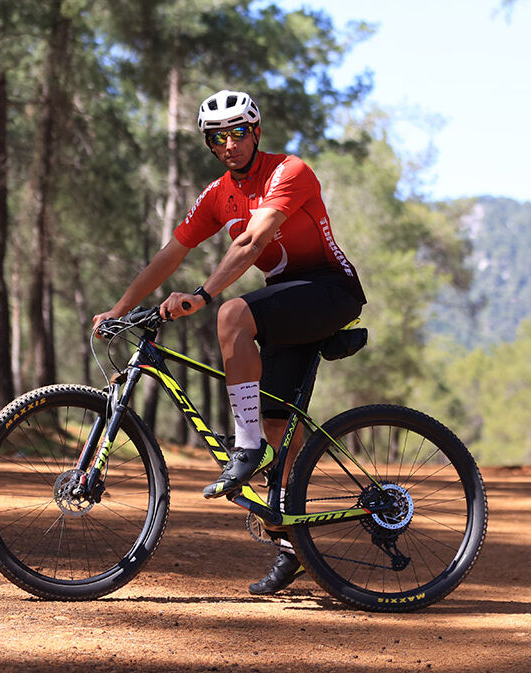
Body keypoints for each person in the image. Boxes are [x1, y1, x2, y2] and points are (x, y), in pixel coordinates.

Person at [93, 89, 366, 595]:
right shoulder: (219, 194)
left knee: (233, 312)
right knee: (279, 421)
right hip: (286, 297)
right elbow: (169, 253)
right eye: (218, 138)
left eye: (238, 132)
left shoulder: (290, 172)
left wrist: (202, 294)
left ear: (255, 132)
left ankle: (246, 449)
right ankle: (294, 545)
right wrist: (120, 308)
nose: (229, 144)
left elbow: (252, 242)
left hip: (331, 288)